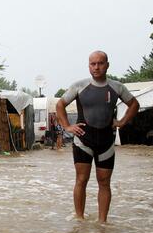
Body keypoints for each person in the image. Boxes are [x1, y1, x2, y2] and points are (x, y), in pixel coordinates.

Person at [56, 50, 140, 223]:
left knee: (104, 182)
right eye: (93, 64)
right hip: (83, 140)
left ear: (107, 65)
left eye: (100, 63)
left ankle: (103, 223)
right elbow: (60, 104)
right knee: (81, 179)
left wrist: (122, 122)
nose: (96, 67)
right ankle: (79, 219)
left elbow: (134, 104)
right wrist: (67, 126)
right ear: (88, 66)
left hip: (106, 141)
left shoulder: (117, 87)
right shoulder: (80, 86)